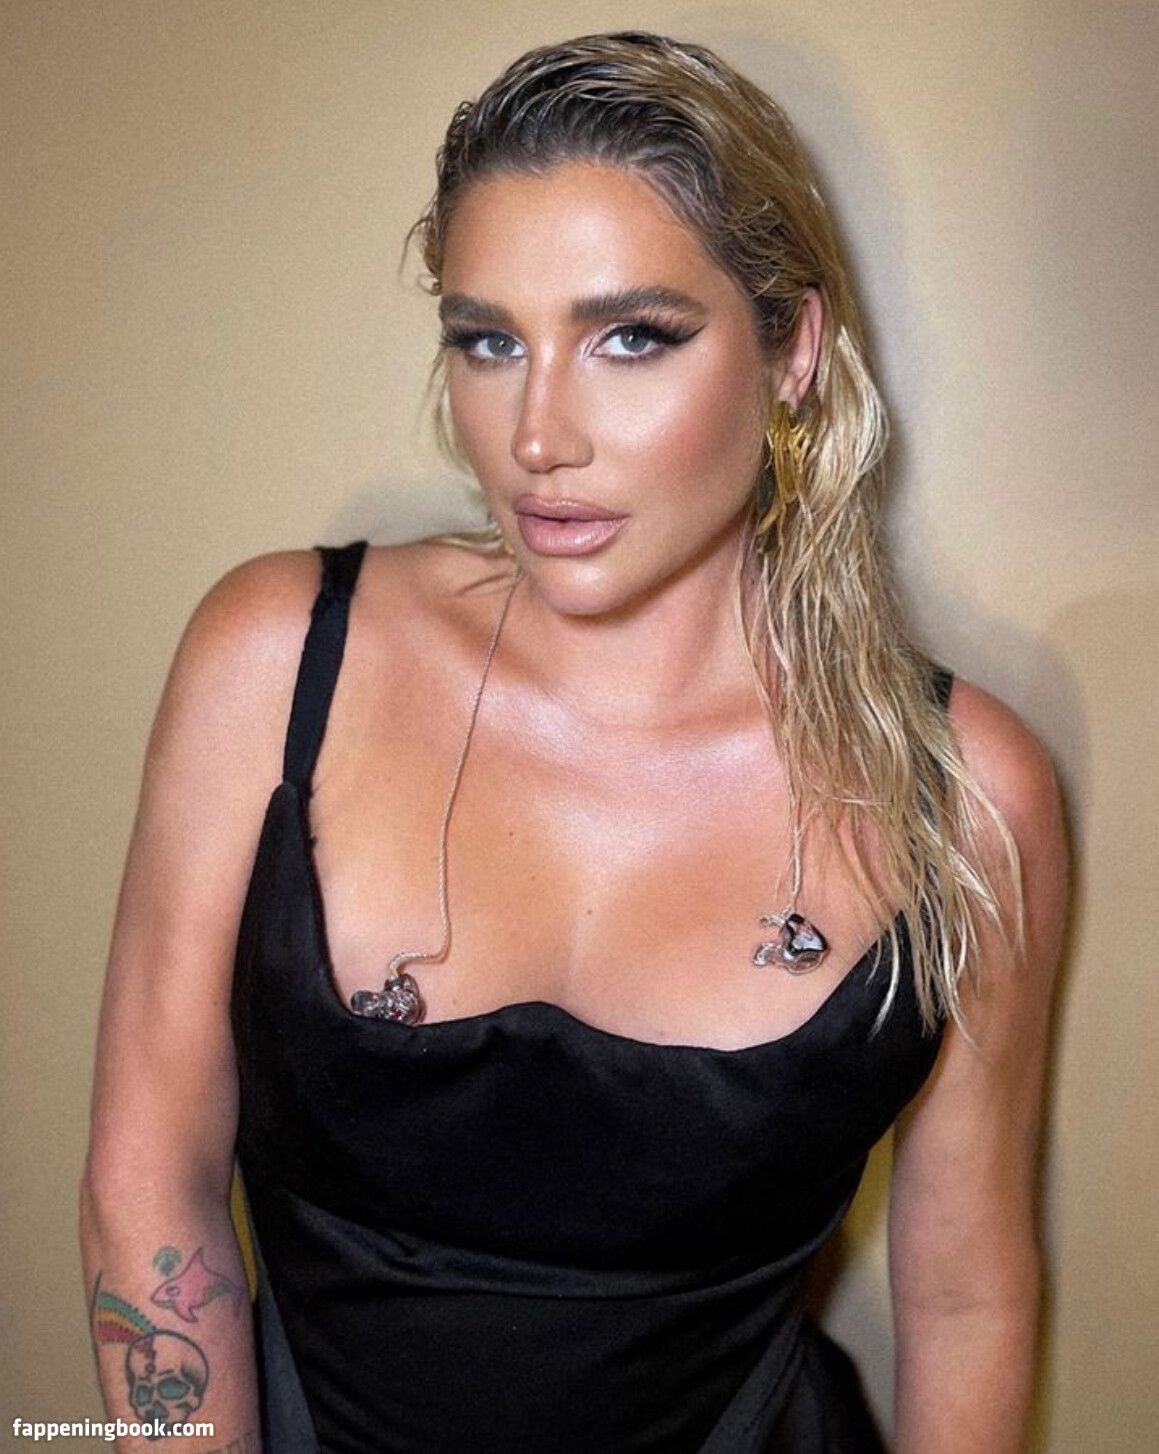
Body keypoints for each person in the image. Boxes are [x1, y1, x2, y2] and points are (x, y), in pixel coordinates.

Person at [80, 30, 1066, 1454]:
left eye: (631, 338)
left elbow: (968, 1292)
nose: (537, 433)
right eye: (489, 340)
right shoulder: (276, 658)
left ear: (793, 350)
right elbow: (147, 1180)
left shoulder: (965, 798)